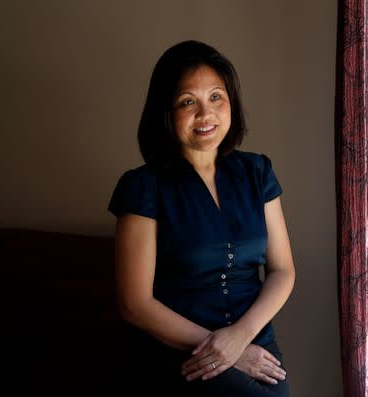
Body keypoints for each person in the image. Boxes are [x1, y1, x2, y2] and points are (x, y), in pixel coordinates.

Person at [107, 40, 296, 397]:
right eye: (187, 102)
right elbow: (135, 304)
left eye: (215, 97)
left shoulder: (258, 172)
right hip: (184, 352)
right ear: (166, 112)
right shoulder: (143, 187)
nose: (205, 114)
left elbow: (283, 269)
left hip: (256, 341)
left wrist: (238, 340)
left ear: (231, 104)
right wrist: (218, 347)